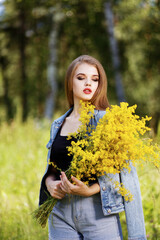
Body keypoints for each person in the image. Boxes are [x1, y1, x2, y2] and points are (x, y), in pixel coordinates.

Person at [39, 55, 147, 240]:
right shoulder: (57, 124)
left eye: (94, 79)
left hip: (98, 213)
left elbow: (126, 177)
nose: (88, 83)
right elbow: (53, 168)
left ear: (99, 85)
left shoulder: (109, 121)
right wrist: (49, 184)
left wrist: (89, 190)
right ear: (70, 82)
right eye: (81, 78)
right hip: (60, 213)